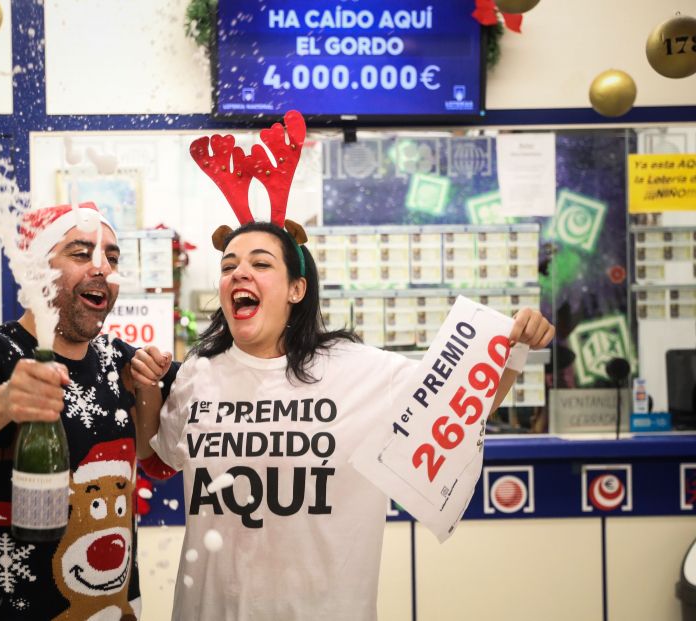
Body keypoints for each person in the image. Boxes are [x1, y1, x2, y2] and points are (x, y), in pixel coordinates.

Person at [129, 112, 555, 620]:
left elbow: (460, 410)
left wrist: (514, 347)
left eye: (261, 263)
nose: (238, 271)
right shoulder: (200, 371)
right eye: (228, 266)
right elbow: (157, 456)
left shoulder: (359, 371)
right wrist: (147, 389)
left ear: (296, 289)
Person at [0, 202, 175, 621]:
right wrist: (1, 401)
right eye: (80, 252)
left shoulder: (117, 358)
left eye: (111, 256)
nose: (102, 268)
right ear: (36, 271)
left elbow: (172, 429)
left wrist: (152, 382)